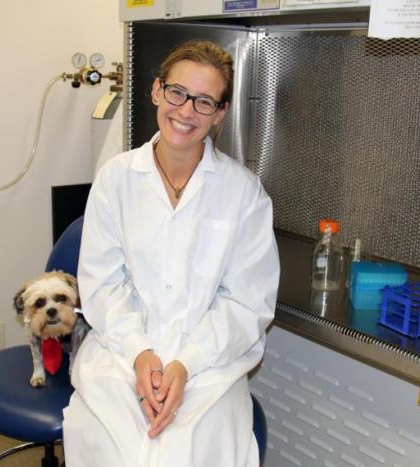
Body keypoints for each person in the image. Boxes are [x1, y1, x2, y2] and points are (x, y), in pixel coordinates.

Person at [62, 40, 280, 467]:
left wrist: (185, 364)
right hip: (121, 354)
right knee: (109, 445)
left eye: (204, 101)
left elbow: (247, 303)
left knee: (196, 451)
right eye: (178, 93)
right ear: (157, 91)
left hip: (208, 365)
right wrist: (141, 354)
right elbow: (102, 284)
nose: (186, 111)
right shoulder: (116, 179)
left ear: (220, 113)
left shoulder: (244, 193)